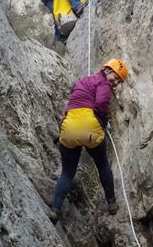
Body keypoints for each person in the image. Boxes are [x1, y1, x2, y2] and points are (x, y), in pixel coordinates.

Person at [49, 59, 129, 224]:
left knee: (67, 173)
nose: (114, 83)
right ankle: (112, 203)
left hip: (69, 126)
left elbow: (72, 101)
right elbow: (100, 102)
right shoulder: (104, 85)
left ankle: (55, 210)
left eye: (118, 81)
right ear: (106, 70)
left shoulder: (82, 81)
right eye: (115, 77)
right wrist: (104, 120)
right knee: (103, 165)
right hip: (91, 127)